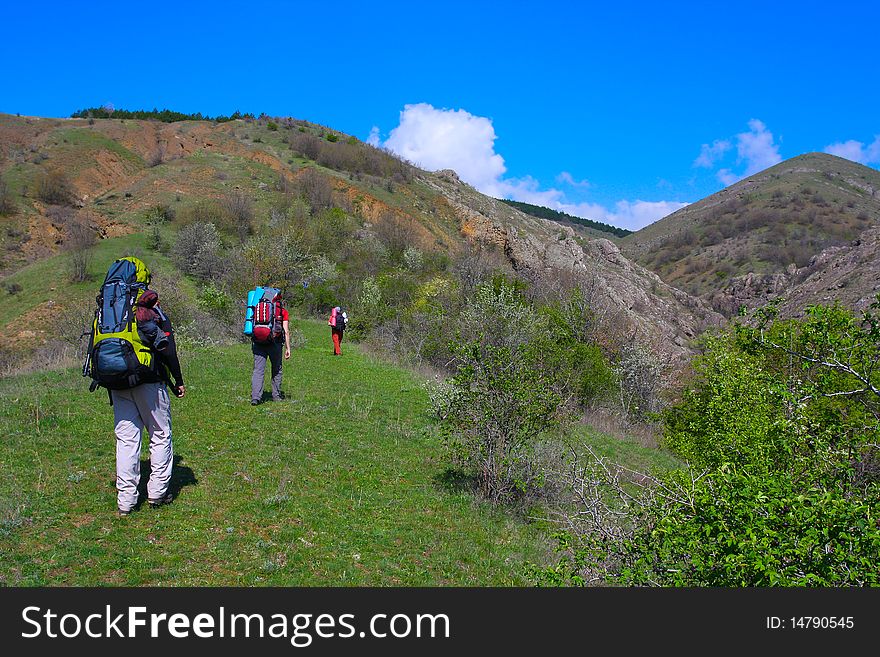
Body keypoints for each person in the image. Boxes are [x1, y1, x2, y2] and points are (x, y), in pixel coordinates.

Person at [110, 271, 185, 517]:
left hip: (118, 381)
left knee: (127, 441)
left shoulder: (110, 308)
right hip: (149, 380)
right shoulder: (147, 308)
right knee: (160, 434)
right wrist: (178, 380)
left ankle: (126, 501)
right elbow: (168, 349)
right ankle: (157, 493)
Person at [251, 290, 291, 405]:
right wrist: (288, 348)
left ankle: (255, 397)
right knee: (277, 370)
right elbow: (286, 331)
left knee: (258, 370)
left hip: (258, 342)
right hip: (275, 343)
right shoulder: (282, 310)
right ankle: (276, 396)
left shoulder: (256, 308)